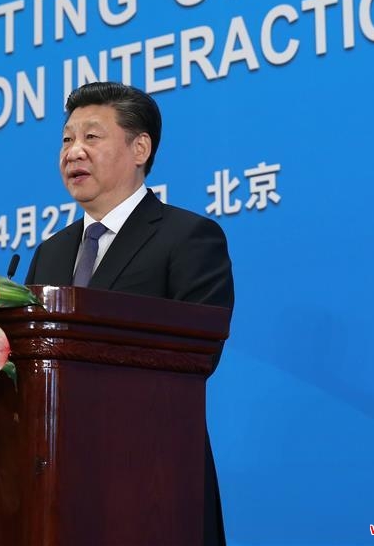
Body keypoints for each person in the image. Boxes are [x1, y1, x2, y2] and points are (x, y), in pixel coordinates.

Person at [25, 81, 234, 546]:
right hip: (56, 482)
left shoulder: (188, 238)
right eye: (66, 139)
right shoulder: (50, 254)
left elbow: (197, 358)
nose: (73, 151)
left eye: (91, 137)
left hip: (152, 479)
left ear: (140, 147)